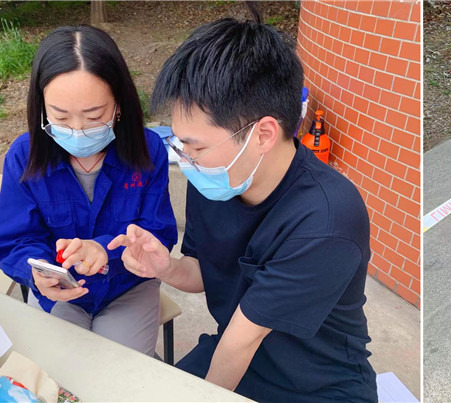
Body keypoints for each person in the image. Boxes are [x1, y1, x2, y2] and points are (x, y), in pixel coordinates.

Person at [106, 14, 377, 402]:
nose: (185, 158)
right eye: (180, 143)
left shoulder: (327, 218)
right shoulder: (216, 177)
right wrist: (166, 268)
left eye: (196, 146)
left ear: (263, 134)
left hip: (317, 387)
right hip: (234, 352)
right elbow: (205, 272)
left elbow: (244, 339)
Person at [0, 26, 177, 357]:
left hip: (127, 285)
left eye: (94, 116)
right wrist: (37, 272)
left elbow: (159, 231)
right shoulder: (24, 156)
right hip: (59, 291)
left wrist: (105, 250)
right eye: (60, 116)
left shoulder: (148, 151)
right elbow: (16, 240)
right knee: (61, 368)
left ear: (119, 104)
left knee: (123, 368)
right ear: (41, 107)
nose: (77, 130)